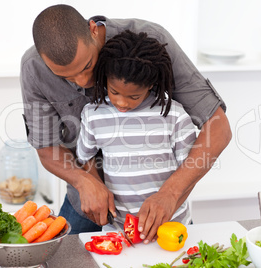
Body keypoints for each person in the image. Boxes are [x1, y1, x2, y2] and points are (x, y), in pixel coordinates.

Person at [20, 4, 231, 243]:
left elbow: (218, 127)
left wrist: (170, 194)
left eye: (88, 65)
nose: (84, 80)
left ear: (92, 29)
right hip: (84, 203)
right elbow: (46, 148)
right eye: (66, 77)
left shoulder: (152, 42)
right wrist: (84, 180)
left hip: (162, 210)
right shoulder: (33, 68)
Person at [76, 30, 197, 227]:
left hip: (172, 224)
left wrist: (169, 203)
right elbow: (85, 157)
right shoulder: (94, 114)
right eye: (114, 92)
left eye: (134, 96)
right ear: (105, 77)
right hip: (118, 228)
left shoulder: (173, 115)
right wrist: (96, 185)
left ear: (150, 85)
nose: (122, 103)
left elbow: (190, 171)